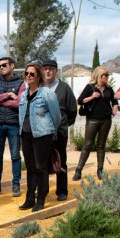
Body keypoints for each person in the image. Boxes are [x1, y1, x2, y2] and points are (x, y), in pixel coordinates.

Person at [17, 62, 61, 212]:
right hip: (26, 135)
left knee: (41, 167)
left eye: (32, 74)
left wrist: (51, 132)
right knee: (30, 168)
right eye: (26, 73)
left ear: (38, 77)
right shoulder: (23, 94)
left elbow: (56, 116)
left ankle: (41, 199)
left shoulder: (47, 94)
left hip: (42, 135)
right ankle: (30, 198)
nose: (28, 76)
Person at [73, 66, 119, 180]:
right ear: (99, 76)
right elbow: (80, 100)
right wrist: (92, 97)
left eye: (108, 75)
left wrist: (114, 110)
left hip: (106, 120)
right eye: (105, 75)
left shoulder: (109, 88)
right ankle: (78, 170)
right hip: (92, 120)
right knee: (87, 145)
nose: (107, 77)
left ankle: (100, 170)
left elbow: (114, 101)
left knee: (101, 145)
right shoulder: (90, 87)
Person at [0, 57, 25, 198]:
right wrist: (9, 95)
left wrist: (0, 99)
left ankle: (16, 185)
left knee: (15, 156)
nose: (1, 67)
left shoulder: (21, 83)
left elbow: (19, 103)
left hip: (13, 125)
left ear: (12, 66)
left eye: (4, 65)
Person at [41, 59, 77, 200]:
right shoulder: (39, 88)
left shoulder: (64, 88)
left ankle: (62, 191)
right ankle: (42, 191)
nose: (48, 71)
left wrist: (63, 125)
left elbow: (72, 110)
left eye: (51, 69)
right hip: (42, 132)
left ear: (56, 71)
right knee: (41, 162)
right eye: (45, 69)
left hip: (59, 132)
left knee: (61, 161)